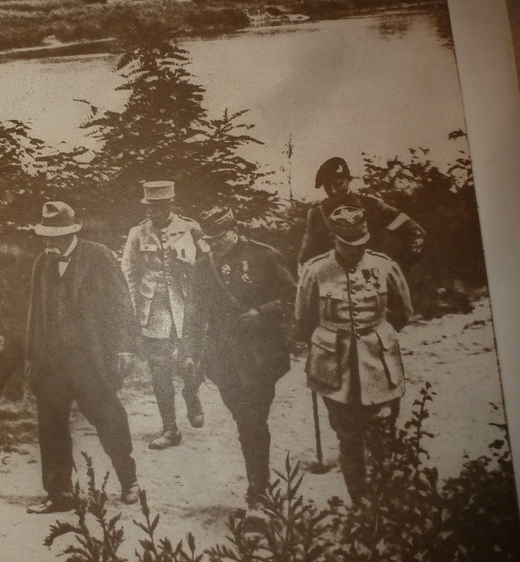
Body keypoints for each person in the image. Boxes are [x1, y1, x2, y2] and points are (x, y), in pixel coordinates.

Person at [25, 201, 140, 514]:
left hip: (90, 358)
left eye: (56, 236)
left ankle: (128, 481)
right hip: (52, 360)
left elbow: (121, 304)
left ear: (72, 232)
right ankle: (59, 493)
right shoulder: (42, 263)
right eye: (46, 236)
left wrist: (126, 348)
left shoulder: (98, 256)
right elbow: (36, 313)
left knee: (108, 416)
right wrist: (33, 356)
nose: (50, 242)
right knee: (51, 425)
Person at [295, 204, 413, 504]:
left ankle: (386, 503)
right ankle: (360, 503)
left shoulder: (385, 266)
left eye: (360, 243)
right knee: (348, 440)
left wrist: (376, 335)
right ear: (335, 238)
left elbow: (403, 311)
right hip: (334, 367)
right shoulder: (316, 270)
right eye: (348, 244)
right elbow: (304, 317)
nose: (356, 250)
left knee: (382, 436)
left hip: (379, 364)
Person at [183, 204, 295, 514]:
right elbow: (195, 311)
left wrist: (262, 312)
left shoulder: (265, 256)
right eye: (210, 238)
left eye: (220, 237)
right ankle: (260, 485)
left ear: (235, 230)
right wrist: (191, 352)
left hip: (262, 355)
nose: (214, 243)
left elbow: (291, 295)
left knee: (252, 420)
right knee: (244, 418)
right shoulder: (204, 267)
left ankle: (258, 490)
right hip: (223, 359)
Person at [121, 180, 204, 450]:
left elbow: (206, 269)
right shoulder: (137, 233)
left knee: (192, 362)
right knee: (159, 369)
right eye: (148, 208)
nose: (151, 213)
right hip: (153, 309)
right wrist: (133, 311)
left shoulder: (190, 229)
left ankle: (191, 394)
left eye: (157, 208)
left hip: (186, 306)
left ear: (170, 205)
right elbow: (130, 273)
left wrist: (189, 268)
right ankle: (170, 428)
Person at [298, 156, 425, 271]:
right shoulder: (318, 213)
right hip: (333, 286)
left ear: (348, 180)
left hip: (372, 282)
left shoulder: (372, 206)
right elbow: (307, 255)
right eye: (327, 187)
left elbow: (415, 234)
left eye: (338, 184)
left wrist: (397, 269)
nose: (333, 191)